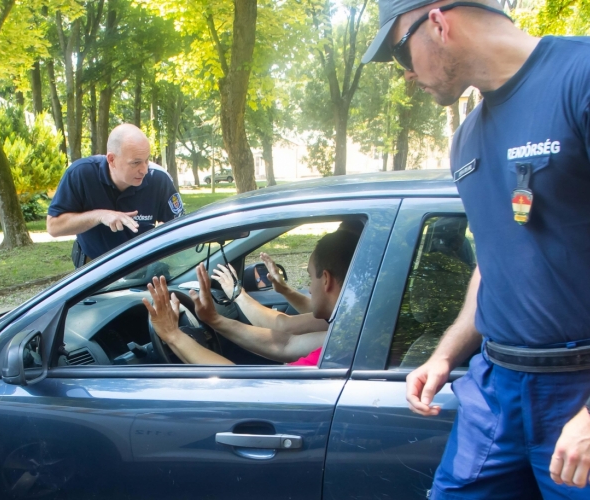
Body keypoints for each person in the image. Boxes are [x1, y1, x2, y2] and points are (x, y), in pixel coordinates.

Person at [363, 0, 590, 497]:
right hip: (494, 387)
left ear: (438, 23)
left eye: (400, 54)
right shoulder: (466, 139)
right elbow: (493, 262)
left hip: (579, 389)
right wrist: (445, 355)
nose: (405, 76)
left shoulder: (581, 77)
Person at [142, 224, 362, 365]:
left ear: (326, 279)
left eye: (310, 277)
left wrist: (173, 335)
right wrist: (214, 319)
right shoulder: (355, 327)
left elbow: (241, 388)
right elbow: (285, 343)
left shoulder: (337, 352)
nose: (309, 288)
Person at [47, 124, 184, 267]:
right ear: (111, 159)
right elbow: (53, 227)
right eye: (136, 162)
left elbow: (180, 228)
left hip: (142, 267)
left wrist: (160, 237)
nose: (144, 170)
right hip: (95, 269)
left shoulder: (158, 179)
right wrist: (100, 216)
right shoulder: (81, 174)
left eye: (146, 160)